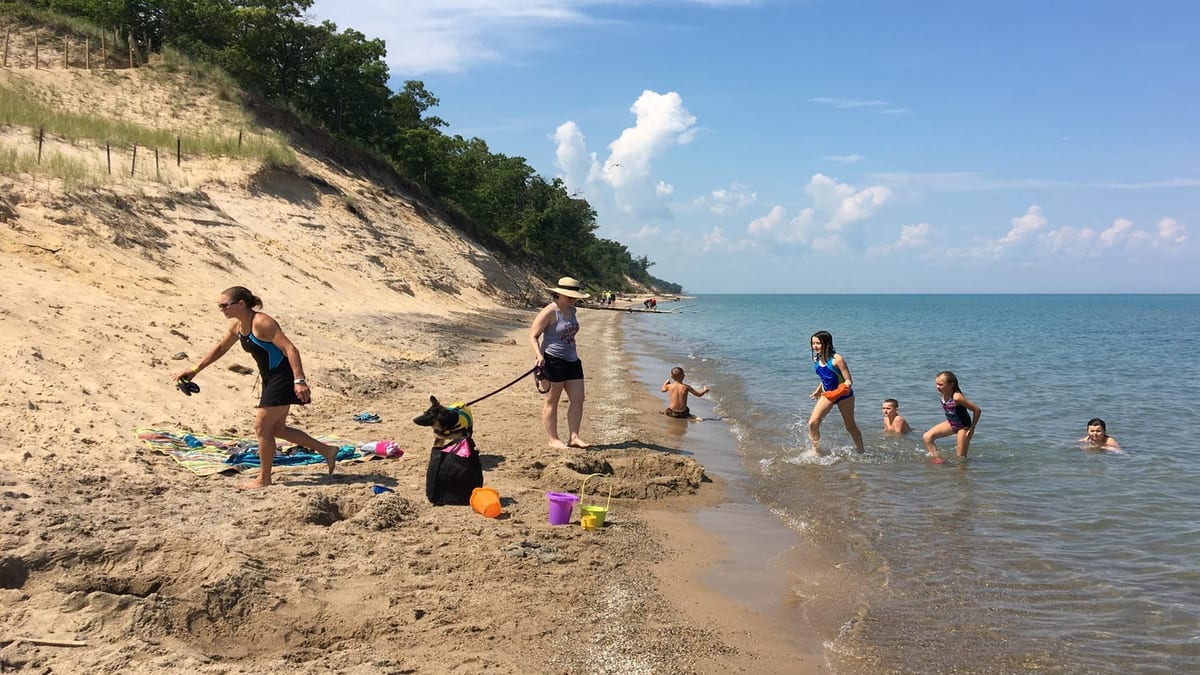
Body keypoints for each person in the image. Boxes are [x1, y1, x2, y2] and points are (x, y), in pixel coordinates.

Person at [174, 286, 339, 489]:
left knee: (262, 427)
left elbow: (290, 349)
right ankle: (327, 450)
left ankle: (264, 478)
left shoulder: (262, 322)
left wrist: (299, 381)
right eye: (220, 305)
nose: (221, 309)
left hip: (283, 377)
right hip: (269, 378)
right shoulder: (238, 326)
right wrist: (194, 369)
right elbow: (220, 348)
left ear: (241, 304)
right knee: (277, 428)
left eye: (224, 305)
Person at [529, 277, 591, 450]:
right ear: (558, 294)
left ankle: (574, 437)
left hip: (572, 359)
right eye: (568, 296)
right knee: (552, 401)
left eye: (574, 296)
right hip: (552, 359)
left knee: (578, 399)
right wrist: (538, 355)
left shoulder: (572, 310)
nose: (572, 299)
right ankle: (553, 439)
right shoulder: (550, 311)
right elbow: (533, 335)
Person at [807, 331, 864, 454]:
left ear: (827, 344)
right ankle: (816, 450)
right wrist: (818, 390)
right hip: (828, 395)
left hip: (844, 395)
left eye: (818, 343)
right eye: (813, 343)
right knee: (812, 423)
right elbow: (826, 377)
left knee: (850, 426)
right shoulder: (816, 358)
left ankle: (861, 451)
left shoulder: (837, 359)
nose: (815, 346)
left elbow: (849, 380)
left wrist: (842, 389)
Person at [922, 370, 982, 463]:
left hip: (963, 427)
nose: (937, 387)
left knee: (960, 460)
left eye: (941, 384)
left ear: (951, 385)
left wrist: (972, 428)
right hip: (951, 423)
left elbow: (977, 410)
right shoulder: (942, 393)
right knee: (927, 437)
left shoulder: (957, 397)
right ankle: (938, 460)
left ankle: (962, 474)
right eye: (937, 384)